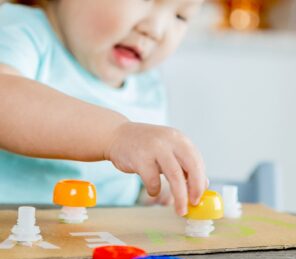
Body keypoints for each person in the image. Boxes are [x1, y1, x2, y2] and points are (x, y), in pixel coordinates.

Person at [0, 0, 207, 216]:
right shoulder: (19, 28)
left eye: (181, 16)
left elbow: (124, 178)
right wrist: (115, 135)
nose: (155, 31)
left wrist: (154, 190)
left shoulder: (148, 86)